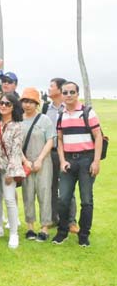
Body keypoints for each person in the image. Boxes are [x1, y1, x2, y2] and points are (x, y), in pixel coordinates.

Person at [52, 82, 103, 247]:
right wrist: (62, 160)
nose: (68, 95)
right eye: (65, 92)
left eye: (72, 92)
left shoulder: (87, 112)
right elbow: (60, 139)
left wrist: (96, 161)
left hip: (86, 160)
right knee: (63, 199)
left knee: (86, 200)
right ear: (62, 94)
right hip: (68, 160)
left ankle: (84, 235)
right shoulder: (61, 115)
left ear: (77, 94)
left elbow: (98, 137)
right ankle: (62, 232)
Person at [0, 93, 26, 249]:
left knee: (9, 199)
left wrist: (11, 172)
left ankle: (13, 233)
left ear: (13, 107)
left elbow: (16, 151)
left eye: (7, 104)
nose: (3, 106)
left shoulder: (17, 126)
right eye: (1, 103)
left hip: (9, 166)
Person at [19, 88, 54, 242]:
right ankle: (30, 227)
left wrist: (40, 159)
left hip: (43, 161)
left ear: (37, 103)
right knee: (28, 194)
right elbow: (15, 144)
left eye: (31, 102)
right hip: (25, 162)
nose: (27, 105)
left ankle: (45, 227)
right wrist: (25, 161)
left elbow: (50, 140)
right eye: (25, 101)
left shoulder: (44, 119)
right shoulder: (18, 120)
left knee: (44, 193)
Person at [44, 77, 78, 232]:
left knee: (67, 187)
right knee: (51, 187)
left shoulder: (69, 108)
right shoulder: (46, 108)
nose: (49, 89)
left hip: (66, 153)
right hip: (50, 153)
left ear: (59, 89)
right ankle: (53, 218)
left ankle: (71, 221)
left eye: (51, 86)